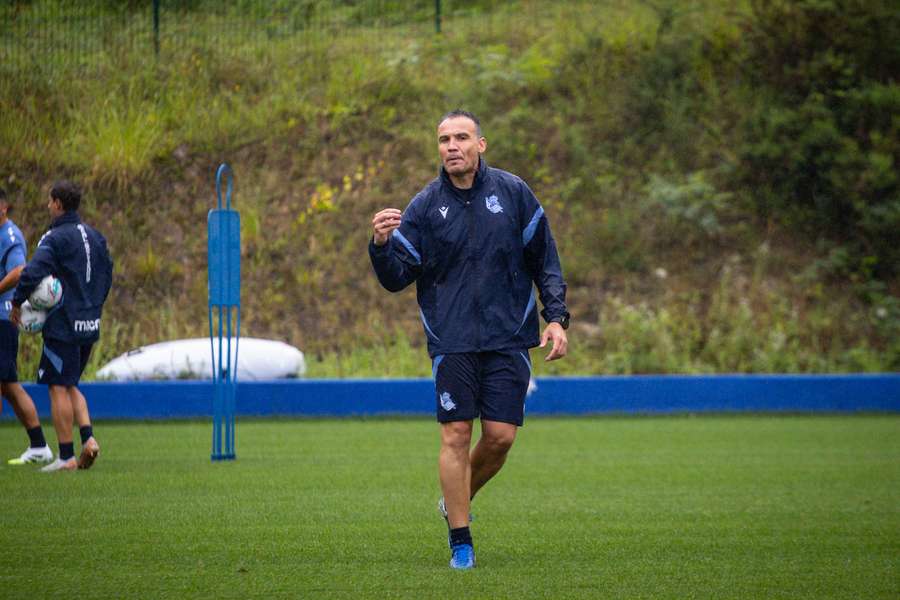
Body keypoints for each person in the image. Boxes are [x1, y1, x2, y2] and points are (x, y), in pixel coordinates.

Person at [369, 110, 569, 569]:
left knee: (499, 438)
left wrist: (555, 318)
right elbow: (397, 277)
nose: (451, 146)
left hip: (508, 337)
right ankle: (461, 539)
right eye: (443, 139)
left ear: (481, 145)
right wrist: (380, 247)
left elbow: (546, 261)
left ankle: (455, 497)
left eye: (461, 137)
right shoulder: (423, 207)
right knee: (457, 435)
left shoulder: (514, 193)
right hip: (451, 338)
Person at [11, 180, 113, 473]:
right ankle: (88, 438)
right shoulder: (96, 236)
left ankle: (66, 456)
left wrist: (18, 302)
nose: (47, 206)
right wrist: (95, 304)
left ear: (57, 203)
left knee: (57, 386)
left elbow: (33, 271)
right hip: (90, 321)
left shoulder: (54, 238)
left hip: (64, 324)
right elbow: (108, 272)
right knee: (70, 384)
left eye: (48, 201)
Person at [0, 188, 54, 465]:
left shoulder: (9, 236)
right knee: (9, 387)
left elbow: (20, 270)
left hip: (3, 317)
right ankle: (38, 445)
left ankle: (40, 445)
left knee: (7, 386)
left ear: (4, 207)